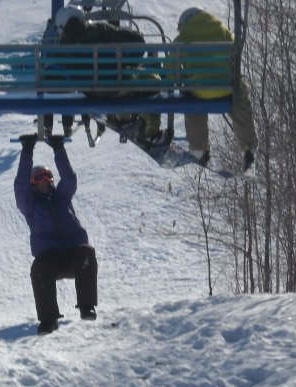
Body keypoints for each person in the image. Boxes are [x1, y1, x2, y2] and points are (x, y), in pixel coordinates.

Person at [14, 134, 98, 335]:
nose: (44, 181)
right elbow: (19, 188)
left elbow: (69, 179)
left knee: (86, 253)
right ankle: (48, 319)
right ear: (33, 183)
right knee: (39, 268)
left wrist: (59, 149)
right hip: (51, 258)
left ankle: (86, 306)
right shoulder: (31, 206)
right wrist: (27, 151)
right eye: (39, 178)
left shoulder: (61, 197)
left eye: (48, 177)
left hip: (73, 255)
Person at [55, 6, 165, 146]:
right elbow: (137, 42)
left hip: (91, 92)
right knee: (150, 81)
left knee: (124, 84)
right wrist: (131, 60)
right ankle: (151, 131)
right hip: (117, 85)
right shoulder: (99, 29)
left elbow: (64, 73)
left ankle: (123, 119)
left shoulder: (62, 47)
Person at [171, 7, 259, 172]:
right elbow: (235, 50)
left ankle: (199, 149)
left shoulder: (184, 35)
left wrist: (181, 79)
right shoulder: (220, 28)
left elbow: (170, 65)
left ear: (183, 23)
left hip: (199, 91)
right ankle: (249, 148)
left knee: (191, 103)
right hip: (225, 88)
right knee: (240, 98)